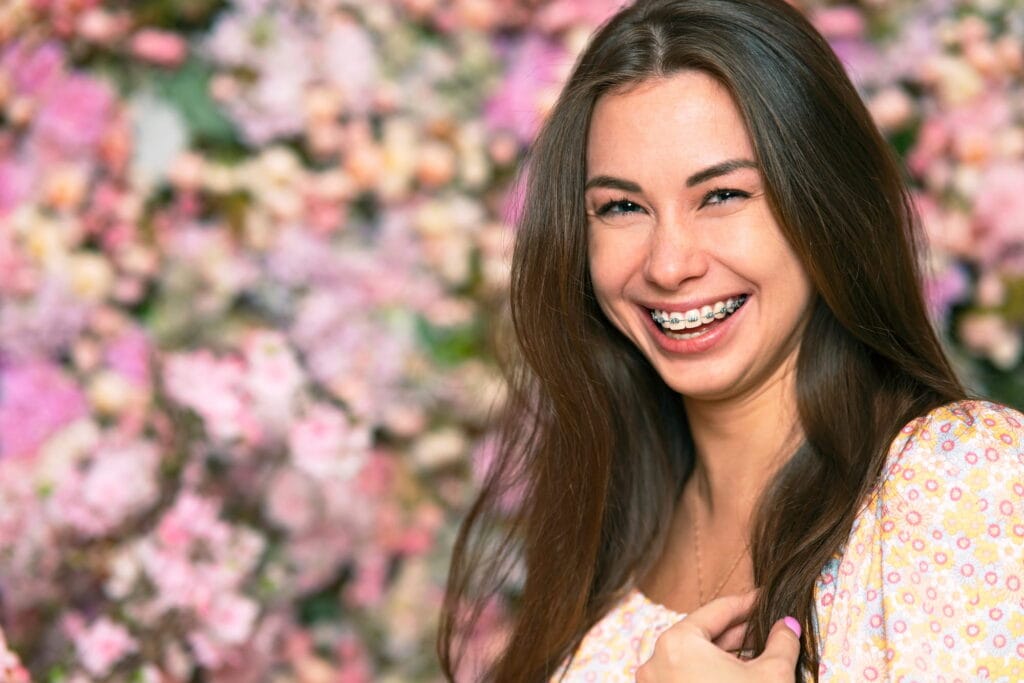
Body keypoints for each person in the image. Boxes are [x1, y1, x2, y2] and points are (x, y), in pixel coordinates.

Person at [438, 0, 1024, 681]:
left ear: (825, 202)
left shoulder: (960, 477)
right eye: (622, 207)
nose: (668, 265)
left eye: (721, 195)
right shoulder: (602, 536)